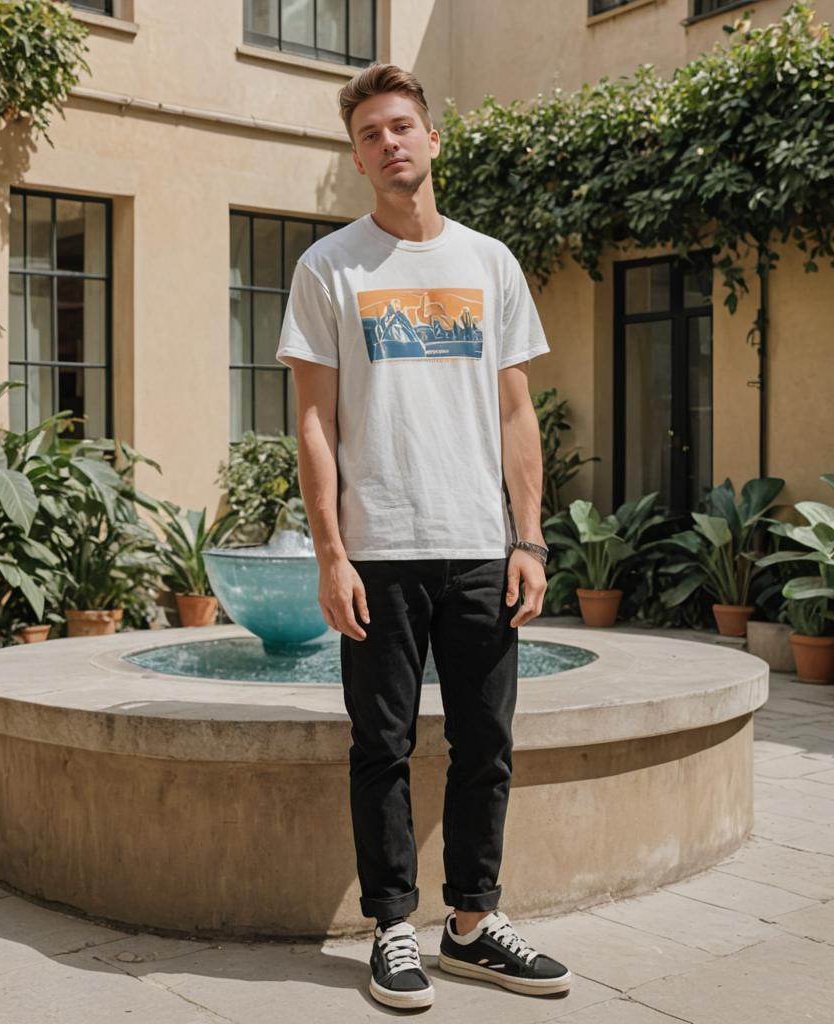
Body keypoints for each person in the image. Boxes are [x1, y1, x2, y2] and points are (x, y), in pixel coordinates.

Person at [275, 61, 572, 1011]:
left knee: (488, 742)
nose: (389, 143)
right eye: (370, 134)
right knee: (383, 745)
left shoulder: (489, 262)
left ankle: (474, 927)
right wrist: (330, 553)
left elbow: (516, 410)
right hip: (381, 548)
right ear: (358, 156)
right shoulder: (329, 266)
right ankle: (392, 930)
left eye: (402, 126)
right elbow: (313, 420)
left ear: (433, 138)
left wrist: (529, 539)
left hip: (481, 544)